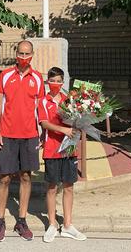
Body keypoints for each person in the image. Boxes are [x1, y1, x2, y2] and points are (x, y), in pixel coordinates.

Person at [0, 40, 45, 242]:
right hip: (7, 133)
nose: (24, 58)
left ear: (32, 54)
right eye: (21, 54)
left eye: (27, 54)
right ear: (16, 54)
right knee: (4, 178)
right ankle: (0, 221)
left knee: (25, 177)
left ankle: (21, 221)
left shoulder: (38, 78)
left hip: (29, 134)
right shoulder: (5, 76)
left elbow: (40, 108)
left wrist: (43, 133)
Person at [38, 67, 87, 242]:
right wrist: (63, 130)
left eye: (59, 81)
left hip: (69, 149)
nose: (56, 84)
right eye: (53, 81)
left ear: (63, 82)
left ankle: (67, 225)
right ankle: (52, 224)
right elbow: (44, 123)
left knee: (69, 187)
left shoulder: (70, 100)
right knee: (52, 187)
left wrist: (83, 117)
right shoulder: (43, 101)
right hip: (51, 149)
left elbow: (77, 120)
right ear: (48, 82)